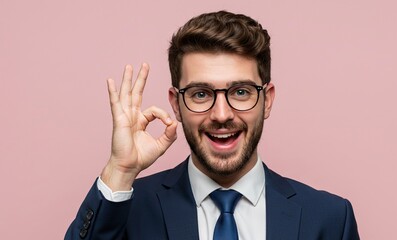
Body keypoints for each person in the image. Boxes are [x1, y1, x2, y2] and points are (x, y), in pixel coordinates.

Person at [65, 10, 360, 240]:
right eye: (201, 94)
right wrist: (120, 171)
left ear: (267, 100)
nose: (221, 114)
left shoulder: (329, 218)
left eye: (241, 92)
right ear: (176, 104)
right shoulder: (128, 210)